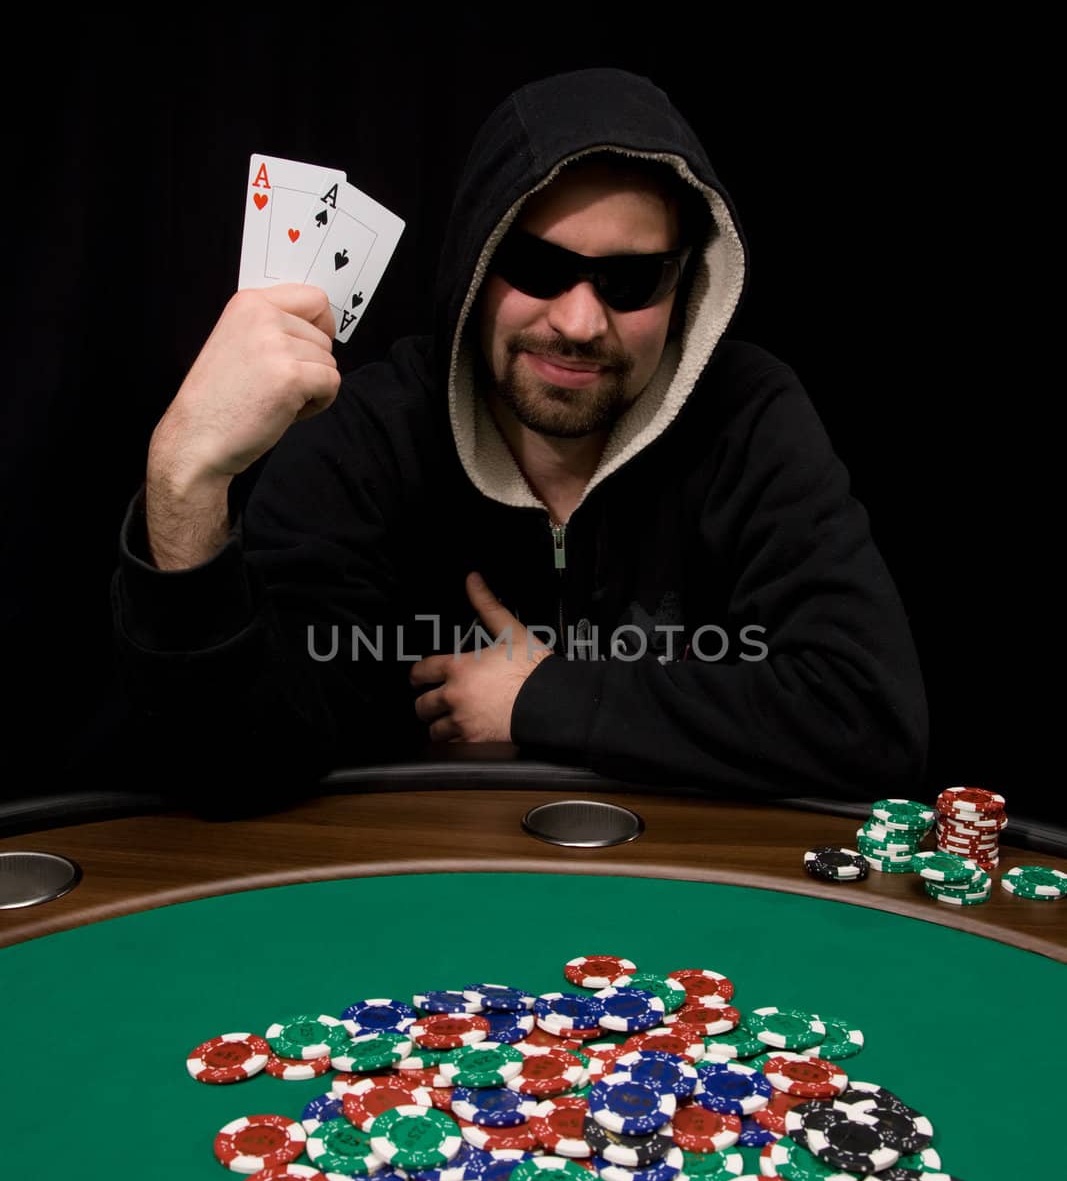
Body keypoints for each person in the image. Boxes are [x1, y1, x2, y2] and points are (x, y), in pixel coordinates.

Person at [102, 66, 927, 811]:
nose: (577, 321)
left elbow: (869, 724)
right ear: (475, 264)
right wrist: (183, 483)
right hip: (413, 905)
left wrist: (544, 697)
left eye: (630, 281)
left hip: (681, 899)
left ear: (686, 289)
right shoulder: (371, 430)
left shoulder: (747, 413)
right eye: (537, 268)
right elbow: (232, 772)